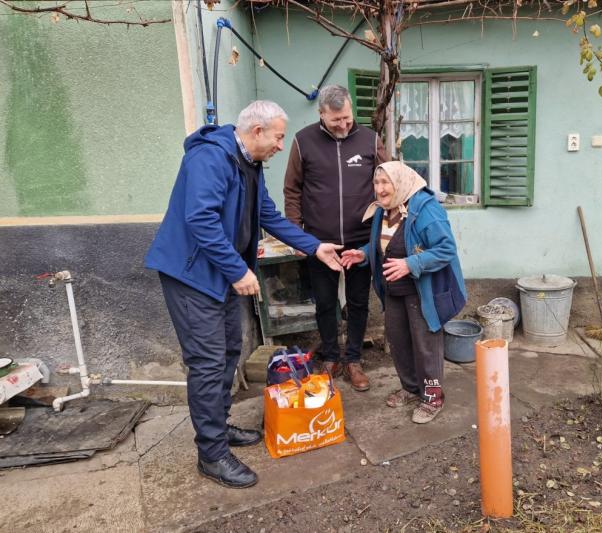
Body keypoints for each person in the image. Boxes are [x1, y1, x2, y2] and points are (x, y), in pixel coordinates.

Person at [145, 101, 342, 489]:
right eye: (279, 136)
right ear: (257, 132)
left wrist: (314, 246)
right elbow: (199, 218)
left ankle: (218, 429)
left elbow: (267, 214)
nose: (281, 146)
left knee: (229, 352)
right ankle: (212, 455)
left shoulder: (248, 165)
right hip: (192, 276)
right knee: (207, 362)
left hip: (217, 275)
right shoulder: (210, 159)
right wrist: (238, 270)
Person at [341, 162, 466, 424]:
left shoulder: (425, 210)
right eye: (376, 183)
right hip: (393, 290)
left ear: (401, 181)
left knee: (426, 347)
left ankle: (433, 397)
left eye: (386, 182)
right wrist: (363, 253)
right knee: (398, 342)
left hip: (423, 292)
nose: (380, 189)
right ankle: (411, 388)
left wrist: (411, 264)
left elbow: (446, 249)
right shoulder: (383, 211)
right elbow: (385, 243)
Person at [283, 85, 387, 391]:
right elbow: (292, 190)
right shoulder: (303, 141)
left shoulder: (370, 139)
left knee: (357, 302)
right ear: (321, 115)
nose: (343, 125)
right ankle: (330, 356)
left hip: (361, 240)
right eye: (335, 120)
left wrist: (384, 227)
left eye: (346, 118)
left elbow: (388, 182)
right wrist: (297, 235)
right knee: (325, 303)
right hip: (319, 241)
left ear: (351, 109)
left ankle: (353, 359)